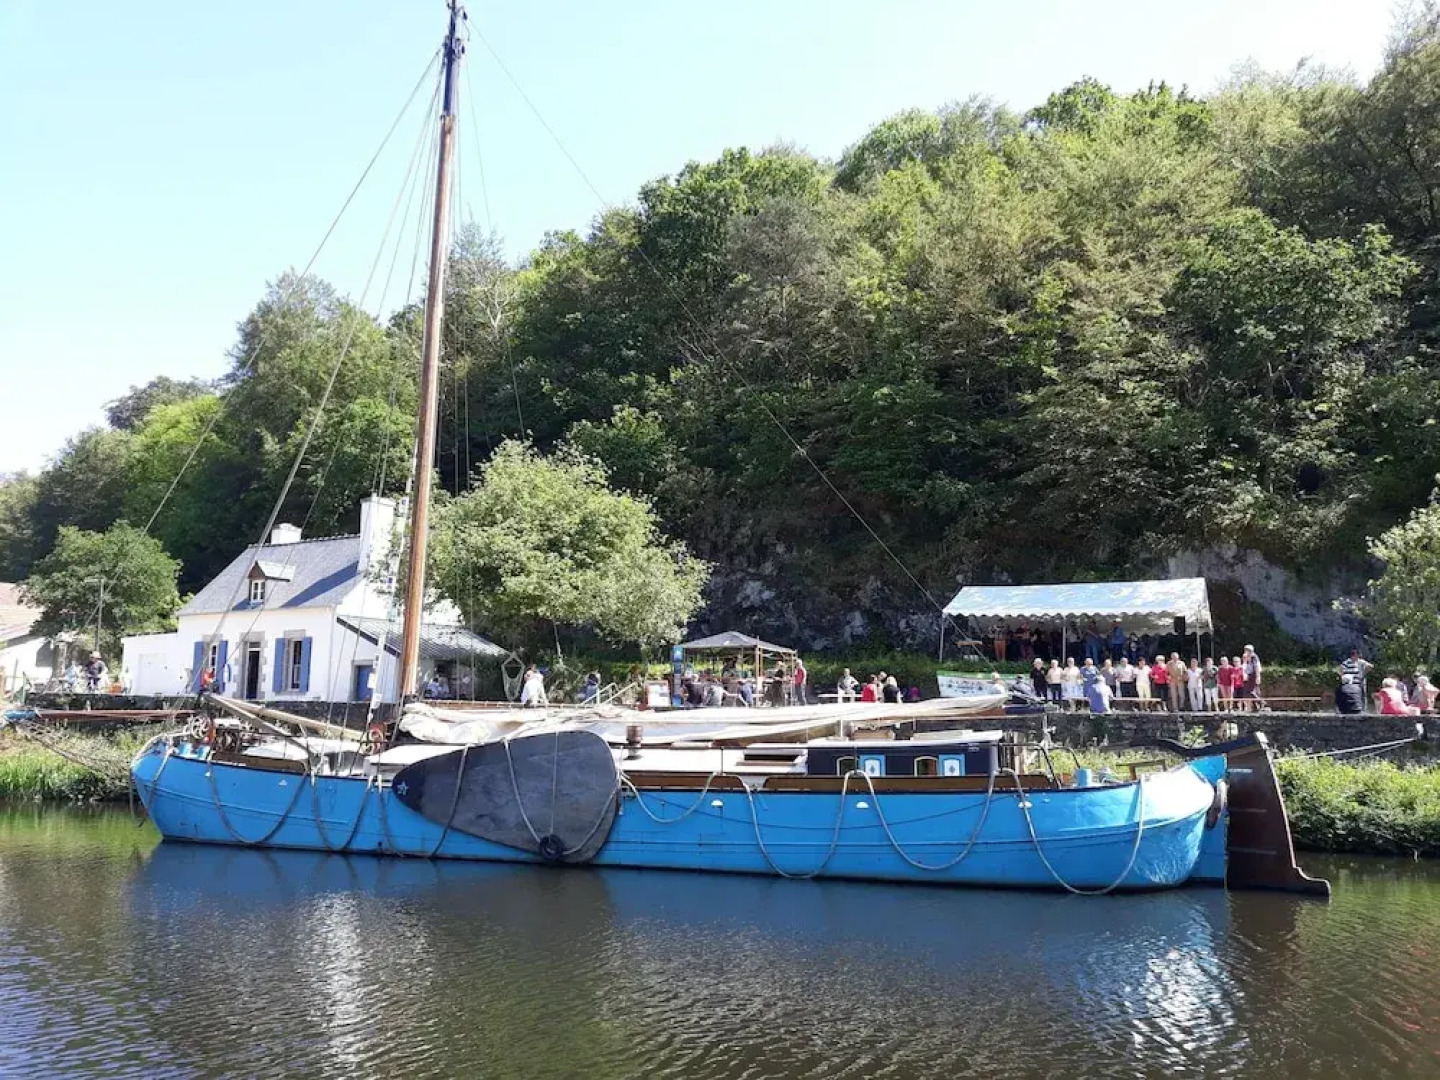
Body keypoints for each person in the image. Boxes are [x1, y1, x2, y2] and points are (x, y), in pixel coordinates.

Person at [1240, 645, 1263, 710]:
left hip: (1254, 675)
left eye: (1247, 650)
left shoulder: (1254, 657)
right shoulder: (1247, 658)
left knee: (1250, 691)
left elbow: (1257, 668)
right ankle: (1255, 706)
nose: (1245, 651)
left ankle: (1260, 702)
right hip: (1250, 676)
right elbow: (1245, 668)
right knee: (1248, 692)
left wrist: (1258, 677)